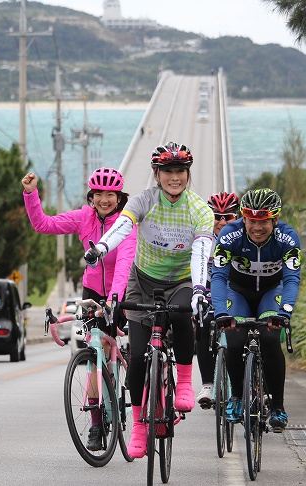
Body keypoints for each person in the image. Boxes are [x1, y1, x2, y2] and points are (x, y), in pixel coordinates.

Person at [83, 142, 214, 459]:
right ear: (157, 174)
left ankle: (184, 382)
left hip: (181, 280)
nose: (174, 177)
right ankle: (140, 430)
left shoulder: (199, 210)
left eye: (180, 171)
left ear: (187, 174)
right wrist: (101, 248)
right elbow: (123, 225)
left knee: (183, 316)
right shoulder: (144, 200)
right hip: (142, 282)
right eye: (167, 171)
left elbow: (200, 252)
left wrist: (198, 289)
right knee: (139, 358)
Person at [22, 167, 137, 450]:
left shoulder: (126, 223)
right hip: (92, 293)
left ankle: (141, 399)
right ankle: (96, 422)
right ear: (92, 196)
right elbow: (43, 225)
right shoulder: (84, 217)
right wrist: (30, 194)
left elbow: (123, 264)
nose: (104, 199)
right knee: (94, 354)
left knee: (135, 346)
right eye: (98, 194)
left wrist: (114, 299)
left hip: (122, 290)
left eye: (110, 194)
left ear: (119, 197)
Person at [210, 188, 301, 431]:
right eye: (251, 221)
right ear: (243, 218)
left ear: (275, 220)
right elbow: (218, 277)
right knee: (235, 338)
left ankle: (278, 407)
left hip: (272, 291)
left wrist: (285, 312)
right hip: (237, 291)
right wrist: (220, 312)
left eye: (263, 222)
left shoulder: (288, 238)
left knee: (271, 339)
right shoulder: (230, 234)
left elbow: (292, 279)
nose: (257, 228)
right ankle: (238, 397)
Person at [195, 192, 240, 409]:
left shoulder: (242, 237)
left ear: (237, 217)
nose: (221, 221)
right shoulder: (204, 238)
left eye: (228, 217)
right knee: (202, 325)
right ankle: (207, 384)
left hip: (237, 291)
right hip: (210, 291)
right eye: (216, 216)